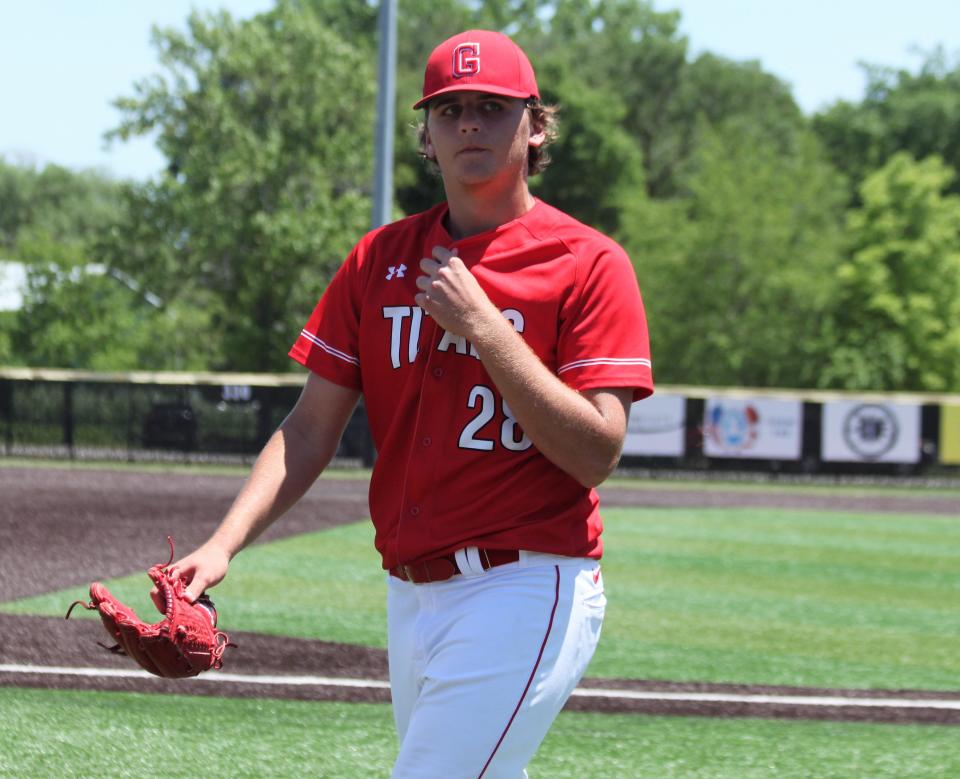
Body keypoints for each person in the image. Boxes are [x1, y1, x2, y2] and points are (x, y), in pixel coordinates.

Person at [161, 29, 653, 778]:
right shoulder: (379, 259)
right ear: (426, 133)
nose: (468, 125)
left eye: (491, 107)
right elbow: (309, 428)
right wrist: (223, 543)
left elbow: (596, 451)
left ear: (536, 124)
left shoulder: (588, 263)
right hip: (410, 592)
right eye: (449, 109)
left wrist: (486, 326)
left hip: (527, 581)